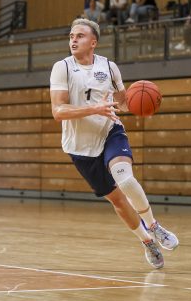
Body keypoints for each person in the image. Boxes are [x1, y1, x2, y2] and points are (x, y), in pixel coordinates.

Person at [49, 18, 178, 269]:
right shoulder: (62, 68)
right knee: (118, 201)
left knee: (125, 177)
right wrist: (93, 108)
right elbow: (58, 111)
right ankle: (147, 241)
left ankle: (154, 225)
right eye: (71, 36)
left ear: (93, 42)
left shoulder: (109, 67)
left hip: (110, 131)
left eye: (80, 36)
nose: (73, 40)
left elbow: (123, 102)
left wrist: (145, 104)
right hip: (80, 147)